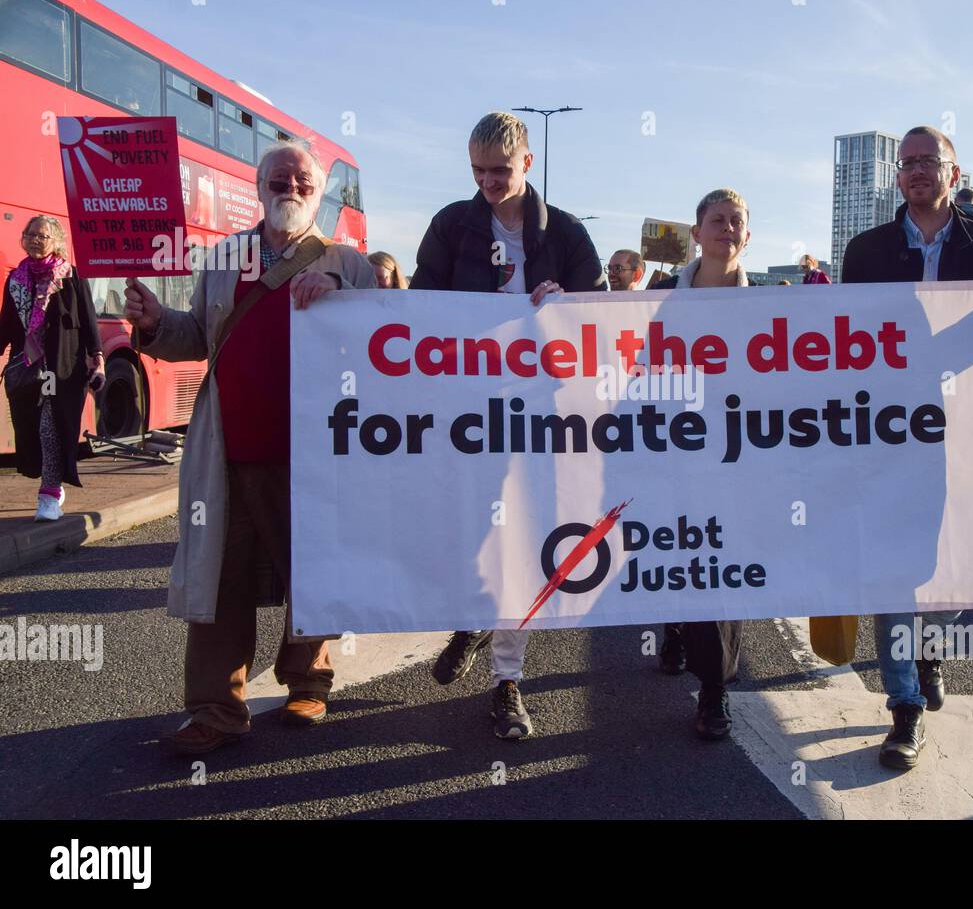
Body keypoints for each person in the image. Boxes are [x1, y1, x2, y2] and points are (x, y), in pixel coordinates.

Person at [124, 142, 377, 755]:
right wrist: (157, 322)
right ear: (260, 185)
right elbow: (198, 337)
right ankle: (215, 708)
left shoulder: (349, 260)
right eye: (279, 178)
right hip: (228, 450)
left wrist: (336, 282)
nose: (291, 186)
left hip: (313, 452)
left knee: (311, 571)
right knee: (220, 580)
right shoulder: (222, 257)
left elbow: (379, 332)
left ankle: (308, 679)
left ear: (320, 193)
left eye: (303, 180)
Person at [840, 125, 973, 770]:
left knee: (963, 556)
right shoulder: (866, 250)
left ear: (954, 174)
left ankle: (927, 647)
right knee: (895, 567)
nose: (917, 171)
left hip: (965, 433)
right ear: (897, 178)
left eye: (930, 161)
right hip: (893, 432)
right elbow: (847, 340)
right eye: (907, 163)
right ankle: (903, 708)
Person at [410, 111, 605, 740]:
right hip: (468, 410)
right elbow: (418, 306)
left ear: (527, 163)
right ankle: (474, 617)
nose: (488, 181)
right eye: (477, 169)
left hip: (541, 414)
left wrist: (566, 308)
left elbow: (602, 318)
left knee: (521, 537)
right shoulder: (451, 225)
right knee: (470, 530)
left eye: (499, 169)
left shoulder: (567, 233)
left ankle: (507, 680)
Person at [650, 188, 751, 740]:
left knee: (720, 572)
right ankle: (675, 625)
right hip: (671, 456)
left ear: (747, 236)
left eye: (736, 222)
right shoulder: (659, 299)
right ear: (697, 233)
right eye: (717, 220)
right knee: (678, 558)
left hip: (734, 462)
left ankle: (714, 691)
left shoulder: (767, 306)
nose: (727, 229)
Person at [0, 216, 105, 521]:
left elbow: (88, 322)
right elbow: (7, 325)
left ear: (56, 240)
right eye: (29, 233)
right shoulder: (16, 279)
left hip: (62, 369)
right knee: (31, 430)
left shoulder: (71, 277)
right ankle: (51, 484)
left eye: (42, 236)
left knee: (51, 428)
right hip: (26, 368)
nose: (34, 239)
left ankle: (48, 496)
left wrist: (97, 361)